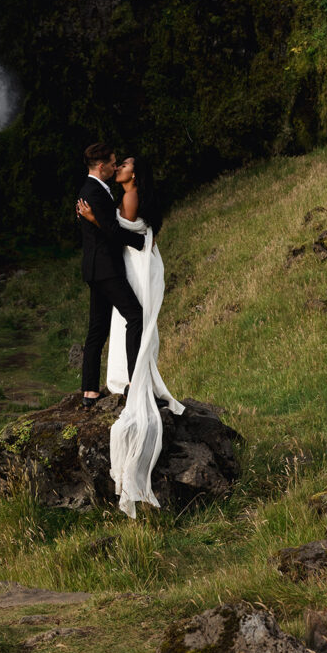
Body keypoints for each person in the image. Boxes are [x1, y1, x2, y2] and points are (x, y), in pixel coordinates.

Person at [78, 154, 185, 514]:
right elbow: (122, 229)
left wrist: (94, 218)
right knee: (126, 320)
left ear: (133, 173)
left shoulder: (128, 194)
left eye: (123, 164)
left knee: (133, 318)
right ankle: (124, 378)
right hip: (127, 262)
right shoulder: (115, 191)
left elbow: (125, 231)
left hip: (135, 262)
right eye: (115, 163)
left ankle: (133, 378)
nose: (119, 167)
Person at [76, 142, 146, 410]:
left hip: (95, 268)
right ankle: (134, 383)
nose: (116, 167)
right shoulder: (94, 192)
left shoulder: (91, 190)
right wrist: (141, 242)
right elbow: (112, 230)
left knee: (97, 328)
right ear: (102, 166)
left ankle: (90, 391)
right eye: (114, 163)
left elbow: (102, 226)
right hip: (106, 269)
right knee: (135, 316)